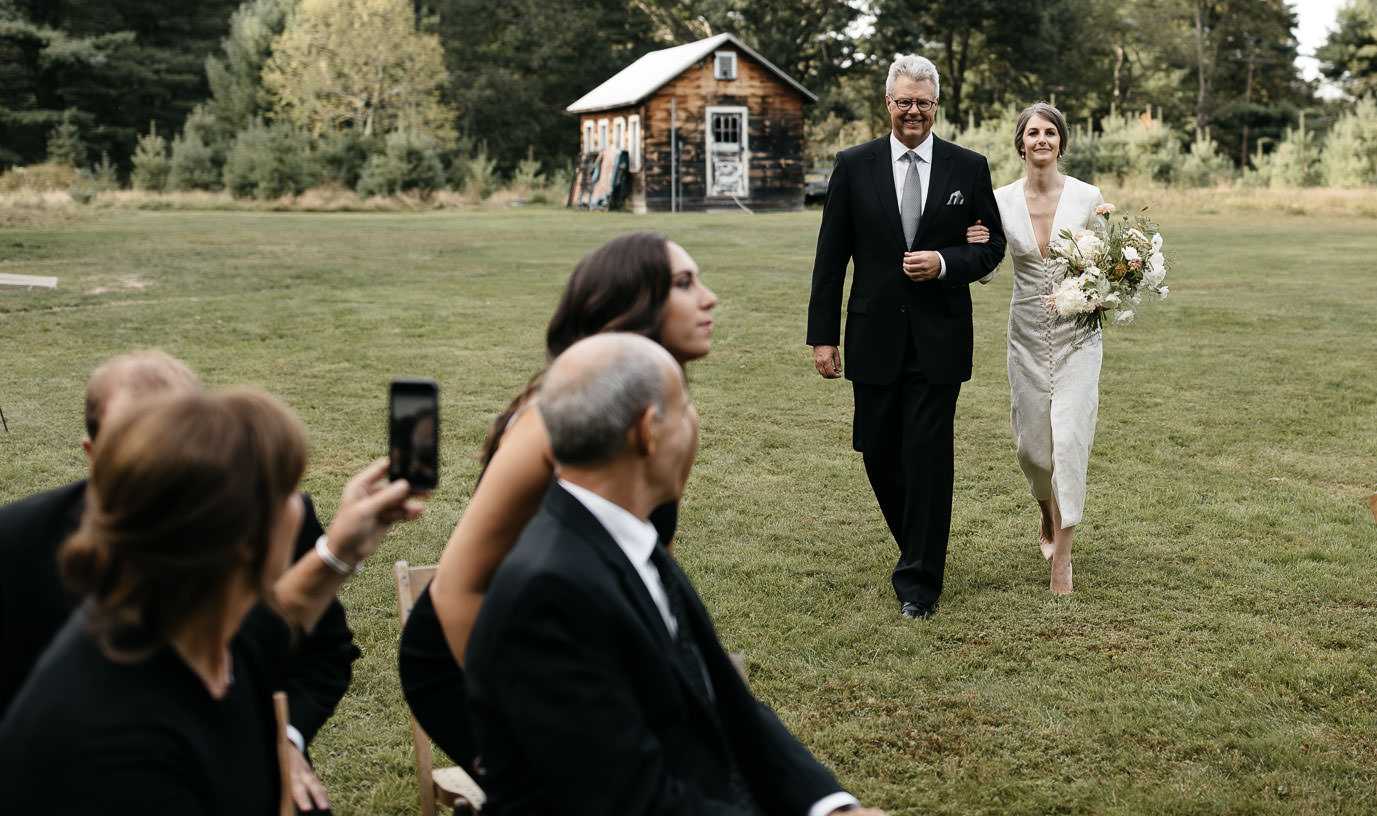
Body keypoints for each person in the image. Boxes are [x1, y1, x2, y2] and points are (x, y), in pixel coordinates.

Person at [464, 332, 885, 816]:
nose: (696, 423)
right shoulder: (548, 594)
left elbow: (727, 702)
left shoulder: (627, 539)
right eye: (685, 407)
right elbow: (628, 800)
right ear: (648, 431)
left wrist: (832, 807)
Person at [0, 388, 423, 815]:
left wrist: (342, 550)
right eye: (290, 491)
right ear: (245, 539)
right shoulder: (119, 752)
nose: (303, 506)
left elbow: (273, 623)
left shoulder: (172, 620)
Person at [400, 232, 716, 771]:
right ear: (632, 307)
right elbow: (460, 586)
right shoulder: (545, 422)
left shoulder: (673, 417)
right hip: (467, 650)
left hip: (571, 637)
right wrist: (512, 717)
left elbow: (642, 561)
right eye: (684, 285)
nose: (708, 298)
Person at [806, 54, 1005, 619]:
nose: (913, 110)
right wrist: (822, 336)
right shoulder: (853, 164)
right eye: (903, 101)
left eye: (923, 102)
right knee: (878, 452)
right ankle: (919, 545)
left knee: (927, 454)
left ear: (936, 106)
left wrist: (944, 261)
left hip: (939, 338)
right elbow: (830, 258)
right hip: (872, 335)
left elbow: (990, 246)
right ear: (888, 103)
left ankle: (920, 580)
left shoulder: (968, 167)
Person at [970, 102, 1107, 594]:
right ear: (1021, 143)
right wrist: (976, 240)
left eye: (1050, 132)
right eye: (1033, 133)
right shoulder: (1001, 200)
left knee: (1068, 441)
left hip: (1077, 335)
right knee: (1034, 450)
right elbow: (986, 268)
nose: (1042, 139)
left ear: (1061, 143)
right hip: (1026, 333)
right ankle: (1047, 512)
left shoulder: (1088, 197)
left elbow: (1106, 271)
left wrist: (1093, 292)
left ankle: (1063, 562)